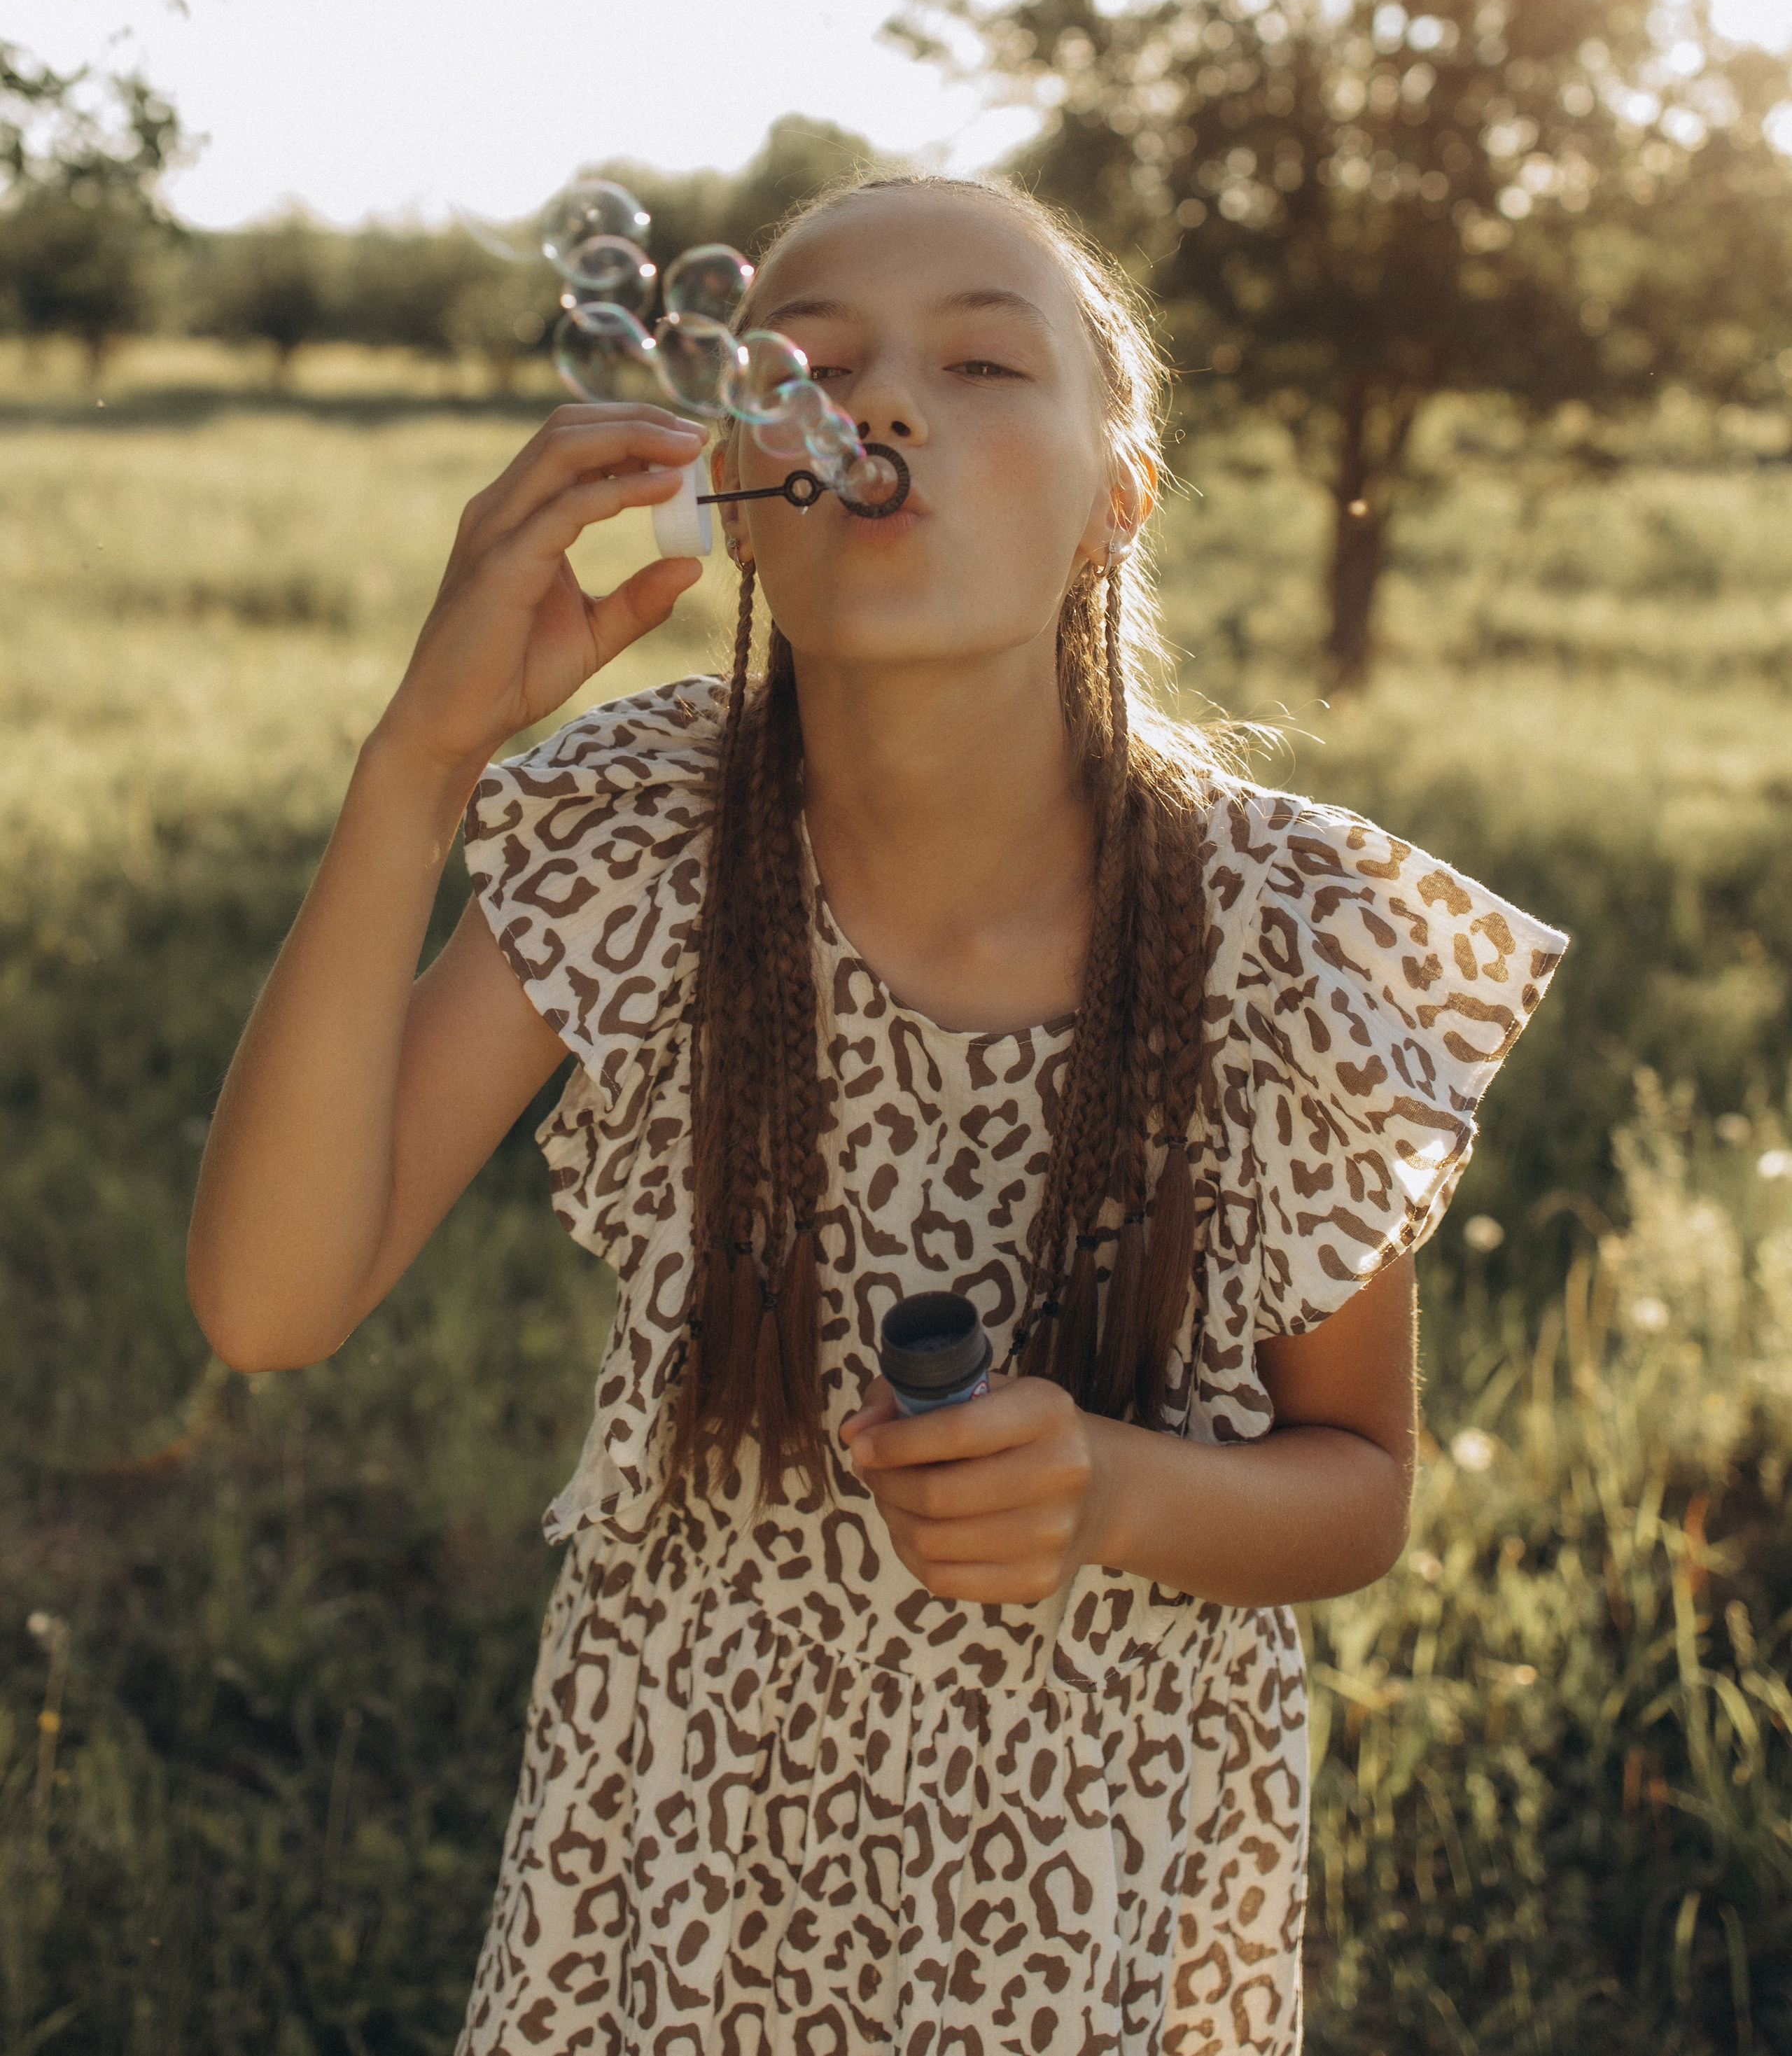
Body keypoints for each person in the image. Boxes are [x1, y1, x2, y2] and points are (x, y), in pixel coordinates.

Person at [187, 174, 1564, 2055]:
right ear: (739, 499)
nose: (882, 402)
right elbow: (271, 1303)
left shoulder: (1290, 934)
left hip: (1096, 1872)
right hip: (679, 1845)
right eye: (812, 362)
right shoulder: (658, 835)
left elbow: (1362, 1487)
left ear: (1118, 495)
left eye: (982, 358)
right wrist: (418, 763)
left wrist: (1116, 1485)